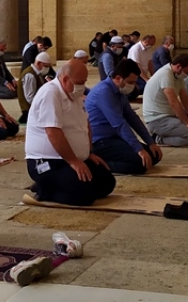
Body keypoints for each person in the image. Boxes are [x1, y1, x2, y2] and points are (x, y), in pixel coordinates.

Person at [24, 59, 116, 205]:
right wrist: (72, 160)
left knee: (106, 183)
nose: (82, 86)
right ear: (65, 79)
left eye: (84, 82)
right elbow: (53, 132)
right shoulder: (50, 93)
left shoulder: (74, 94)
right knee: (84, 195)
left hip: (73, 158)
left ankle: (57, 184)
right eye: (80, 82)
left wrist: (88, 153)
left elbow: (85, 124)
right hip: (48, 161)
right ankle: (45, 189)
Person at [86, 59, 162, 174]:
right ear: (118, 78)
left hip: (114, 138)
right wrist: (139, 149)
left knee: (153, 156)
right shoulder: (104, 92)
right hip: (100, 141)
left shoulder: (119, 91)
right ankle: (98, 164)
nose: (133, 86)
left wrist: (150, 142)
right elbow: (119, 124)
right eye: (130, 82)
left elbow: (132, 118)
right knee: (140, 164)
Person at [142, 53, 188, 147]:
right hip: (157, 120)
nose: (187, 74)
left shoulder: (178, 76)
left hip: (169, 117)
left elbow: (186, 99)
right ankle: (157, 138)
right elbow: (173, 102)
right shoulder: (165, 75)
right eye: (187, 71)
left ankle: (166, 135)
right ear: (179, 66)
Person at [18, 50, 55, 124]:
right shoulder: (30, 75)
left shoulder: (37, 73)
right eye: (46, 66)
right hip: (29, 110)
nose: (47, 69)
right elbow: (30, 98)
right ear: (39, 63)